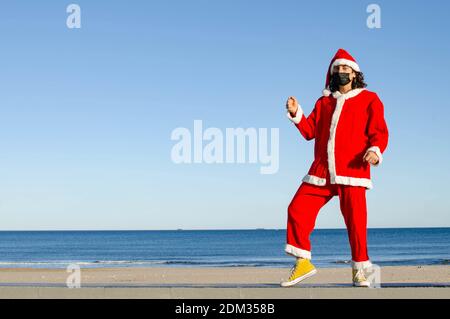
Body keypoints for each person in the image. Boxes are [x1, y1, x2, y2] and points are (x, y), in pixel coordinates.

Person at [281, 48, 389, 287]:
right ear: (332, 73)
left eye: (346, 68)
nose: (342, 72)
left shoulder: (370, 99)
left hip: (353, 170)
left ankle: (360, 271)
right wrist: (296, 113)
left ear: (355, 73)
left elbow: (379, 132)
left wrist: (374, 151)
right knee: (297, 209)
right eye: (338, 68)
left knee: (356, 222)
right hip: (322, 170)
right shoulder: (323, 102)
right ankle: (303, 263)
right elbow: (309, 131)